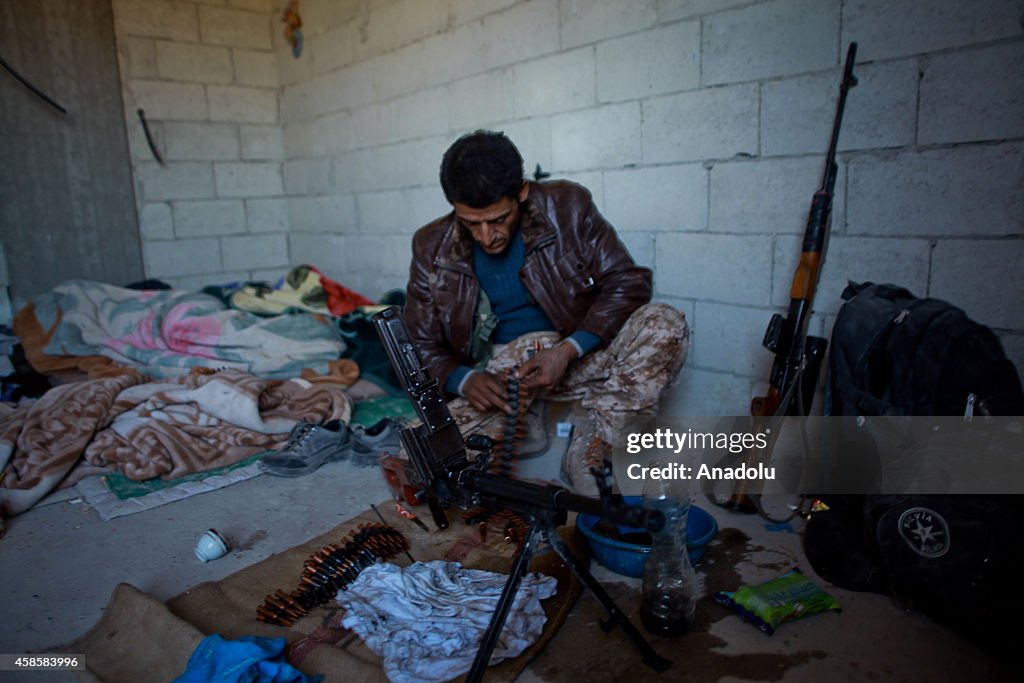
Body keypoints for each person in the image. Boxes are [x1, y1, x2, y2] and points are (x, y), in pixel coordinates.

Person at [404, 130, 689, 494]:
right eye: (471, 223)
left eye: (498, 219)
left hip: (572, 352)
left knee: (665, 325)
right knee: (420, 454)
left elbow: (626, 282)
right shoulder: (431, 244)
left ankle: (597, 439)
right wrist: (463, 379)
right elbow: (419, 342)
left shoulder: (567, 206)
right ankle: (528, 422)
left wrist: (569, 349)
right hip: (501, 373)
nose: (486, 236)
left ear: (522, 192)